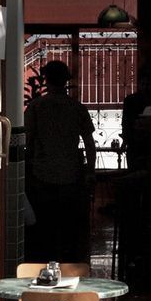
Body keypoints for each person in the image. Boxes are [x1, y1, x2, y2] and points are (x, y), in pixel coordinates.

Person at [25, 59, 96, 263]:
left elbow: (27, 141)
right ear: (66, 80)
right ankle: (69, 266)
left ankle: (44, 267)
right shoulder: (77, 108)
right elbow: (89, 143)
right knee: (69, 228)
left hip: (42, 174)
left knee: (44, 227)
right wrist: (90, 171)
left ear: (46, 80)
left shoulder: (37, 107)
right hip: (71, 175)